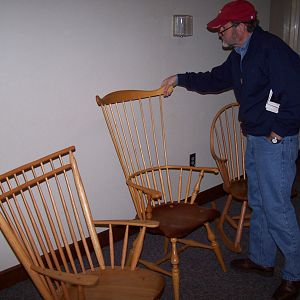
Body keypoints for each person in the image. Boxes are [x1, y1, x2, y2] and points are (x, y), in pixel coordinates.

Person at [161, 1, 300, 299]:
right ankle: (262, 260)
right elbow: (214, 79)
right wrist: (179, 79)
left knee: (277, 208)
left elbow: (295, 91)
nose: (219, 34)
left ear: (240, 26)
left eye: (222, 28)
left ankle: (295, 273)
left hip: (275, 141)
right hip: (257, 139)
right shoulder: (239, 56)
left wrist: (278, 133)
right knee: (259, 202)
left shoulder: (271, 49)